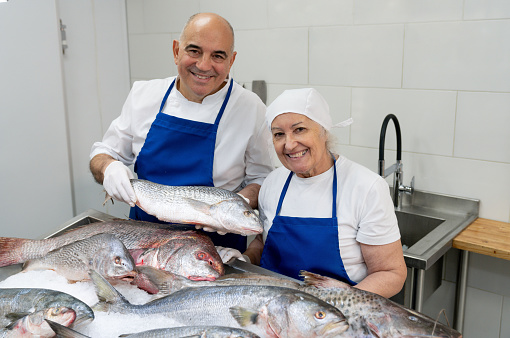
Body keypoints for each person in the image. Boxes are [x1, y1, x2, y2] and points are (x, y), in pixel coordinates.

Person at [89, 13, 273, 253]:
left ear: (231, 61)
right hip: (142, 243)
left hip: (215, 249)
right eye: (194, 51)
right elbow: (103, 153)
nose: (204, 65)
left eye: (218, 55)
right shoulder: (144, 95)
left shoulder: (251, 107)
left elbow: (261, 178)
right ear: (176, 51)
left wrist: (236, 206)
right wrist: (108, 169)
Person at [223, 88, 407, 298]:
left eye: (299, 129)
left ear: (323, 130)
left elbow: (391, 273)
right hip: (275, 311)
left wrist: (338, 307)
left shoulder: (365, 187)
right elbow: (263, 243)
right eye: (279, 134)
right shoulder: (273, 183)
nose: (290, 144)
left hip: (338, 319)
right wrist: (243, 262)